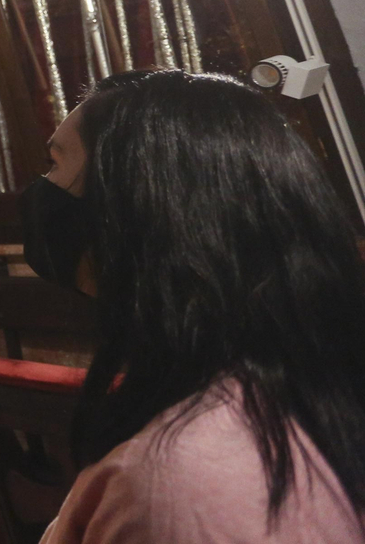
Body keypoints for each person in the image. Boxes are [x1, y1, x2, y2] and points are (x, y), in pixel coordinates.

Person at [23, 70, 365, 543]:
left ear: (137, 204)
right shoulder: (293, 379)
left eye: (55, 164)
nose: (41, 189)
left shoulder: (178, 483)